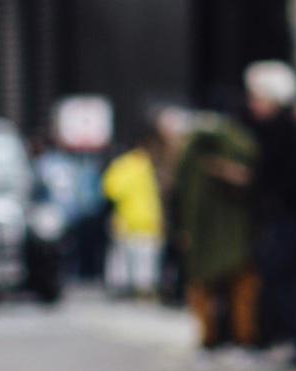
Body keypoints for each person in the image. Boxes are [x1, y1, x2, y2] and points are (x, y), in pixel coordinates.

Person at [242, 62, 296, 367]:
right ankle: (292, 337)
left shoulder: (284, 132)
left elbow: (289, 180)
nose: (252, 105)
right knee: (279, 275)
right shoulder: (278, 130)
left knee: (278, 274)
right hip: (285, 214)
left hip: (289, 215)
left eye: (257, 98)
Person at [171, 105, 260, 351]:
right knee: (238, 285)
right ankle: (240, 337)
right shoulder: (240, 144)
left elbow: (179, 193)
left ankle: (211, 338)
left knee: (206, 286)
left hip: (202, 231)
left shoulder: (192, 152)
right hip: (234, 231)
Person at [101, 127, 165, 300]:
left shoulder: (123, 165)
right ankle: (141, 291)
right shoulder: (144, 166)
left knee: (126, 263)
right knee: (143, 263)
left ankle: (129, 290)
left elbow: (110, 190)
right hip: (141, 221)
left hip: (130, 221)